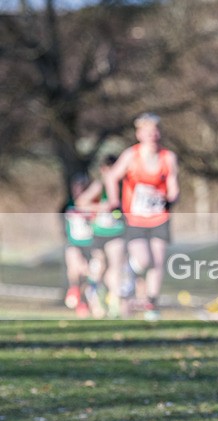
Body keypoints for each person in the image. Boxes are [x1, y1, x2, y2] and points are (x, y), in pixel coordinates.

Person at [103, 113, 179, 321]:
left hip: (159, 216)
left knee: (158, 261)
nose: (152, 135)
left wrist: (172, 198)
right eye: (147, 131)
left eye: (155, 130)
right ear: (139, 134)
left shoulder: (168, 157)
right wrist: (114, 201)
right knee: (144, 260)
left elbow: (173, 184)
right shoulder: (131, 156)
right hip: (135, 217)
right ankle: (130, 272)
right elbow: (111, 177)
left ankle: (152, 304)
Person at [75, 155, 128, 318]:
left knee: (116, 267)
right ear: (102, 170)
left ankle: (114, 303)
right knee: (98, 268)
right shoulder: (100, 185)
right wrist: (101, 207)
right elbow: (81, 203)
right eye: (107, 170)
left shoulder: (125, 186)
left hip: (117, 232)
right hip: (98, 233)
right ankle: (95, 300)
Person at [62, 173, 95, 318]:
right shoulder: (68, 204)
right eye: (76, 186)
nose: (78, 189)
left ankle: (83, 300)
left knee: (86, 273)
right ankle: (74, 290)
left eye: (82, 186)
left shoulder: (93, 204)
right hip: (74, 243)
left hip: (90, 244)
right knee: (74, 265)